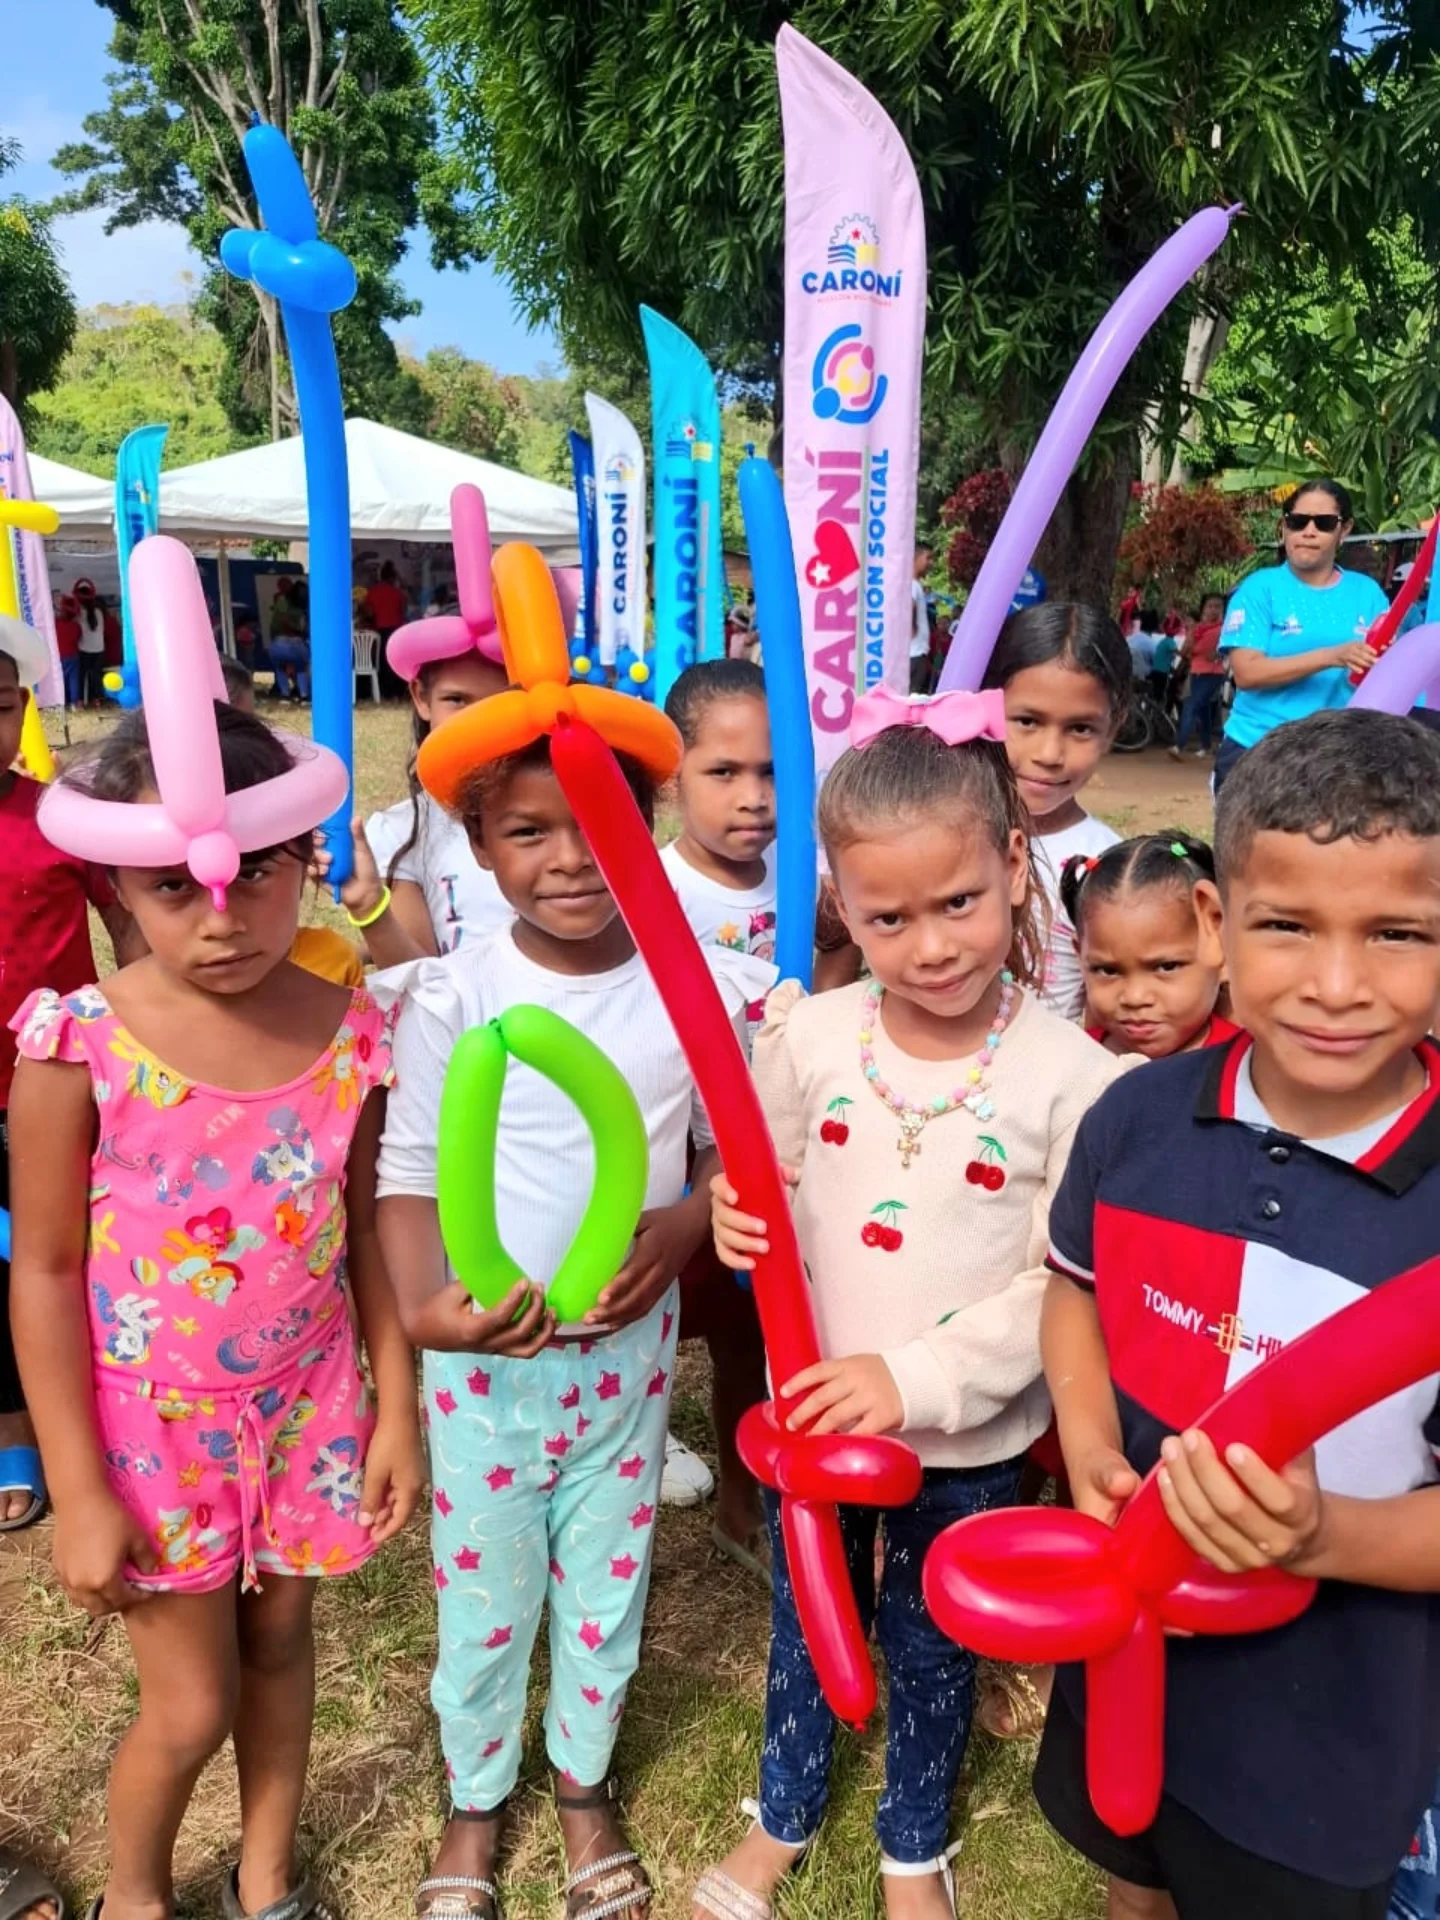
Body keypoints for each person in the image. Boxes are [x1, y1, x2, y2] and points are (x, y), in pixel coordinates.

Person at [694, 689, 1122, 1920]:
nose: (931, 945)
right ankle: (781, 1812)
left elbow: (1064, 1285)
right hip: (814, 1423)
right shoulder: (812, 1038)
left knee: (932, 1640)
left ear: (1012, 867)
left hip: (966, 1438)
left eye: (960, 904)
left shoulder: (1071, 1080)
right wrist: (733, 1211)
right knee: (804, 1619)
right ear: (840, 904)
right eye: (888, 917)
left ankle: (912, 1841)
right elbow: (761, 1181)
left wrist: (916, 1382)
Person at [8, 700, 423, 1920]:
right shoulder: (76, 1046)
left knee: (286, 1645)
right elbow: (39, 1272)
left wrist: (393, 1412)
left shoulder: (355, 1034)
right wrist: (77, 1491)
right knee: (189, 1703)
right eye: (173, 889)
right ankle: (134, 1895)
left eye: (258, 878)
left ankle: (265, 1881)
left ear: (302, 857)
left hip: (308, 1406)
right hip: (154, 1435)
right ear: (118, 886)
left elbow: (367, 1245)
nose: (222, 917)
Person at [1037, 705, 1440, 1920]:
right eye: (1287, 924)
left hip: (1327, 1736)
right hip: (1127, 1659)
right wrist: (1095, 1447)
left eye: (1396, 933)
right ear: (1219, 921)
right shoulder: (1135, 1121)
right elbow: (1074, 1293)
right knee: (1130, 1867)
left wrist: (1322, 1539)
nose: (1334, 984)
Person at [375, 732, 770, 1920]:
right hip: (486, 1375)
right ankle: (475, 1795)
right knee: (486, 1593)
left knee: (609, 1580)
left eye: (593, 824)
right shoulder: (457, 994)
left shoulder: (693, 986)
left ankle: (584, 1783)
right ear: (479, 849)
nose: (567, 859)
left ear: (643, 821)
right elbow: (404, 1176)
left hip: (626, 1364)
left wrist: (688, 1225)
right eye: (526, 833)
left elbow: (725, 1151)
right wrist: (422, 1306)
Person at [0, 616, 136, 1533]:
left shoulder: (55, 819)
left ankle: (79, 1425)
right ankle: (16, 1430)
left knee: (60, 1257)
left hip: (49, 1092)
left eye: (1, 706)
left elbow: (130, 928)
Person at [660, 658, 776, 1556]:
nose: (753, 797)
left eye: (773, 772)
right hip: (674, 1160)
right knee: (656, 1326)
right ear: (675, 773)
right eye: (725, 772)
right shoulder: (649, 890)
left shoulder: (814, 878)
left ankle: (745, 1499)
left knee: (751, 1342)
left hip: (777, 1161)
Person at [982, 602, 1132, 1022]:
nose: (1050, 755)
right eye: (1027, 721)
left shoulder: (1108, 865)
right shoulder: (944, 830)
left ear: (1113, 726)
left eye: (1080, 728)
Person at [1214, 480, 1388, 793]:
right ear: (1284, 528)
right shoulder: (1258, 589)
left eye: (1323, 523)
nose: (1308, 532)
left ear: (1344, 530)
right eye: (1297, 522)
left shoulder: (1368, 594)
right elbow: (1247, 673)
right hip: (1259, 750)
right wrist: (1332, 656)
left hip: (1337, 760)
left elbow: (1387, 670)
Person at [347, 645, 515, 965]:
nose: (475, 722)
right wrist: (370, 914)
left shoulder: (567, 815)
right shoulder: (401, 830)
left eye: (500, 702)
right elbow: (416, 975)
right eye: (457, 700)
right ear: (421, 698)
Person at [1062, 832, 1236, 1058]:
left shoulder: (1250, 1066)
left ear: (1223, 951)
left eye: (1166, 967)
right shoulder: (1073, 1061)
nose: (1135, 998)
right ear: (1081, 958)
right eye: (1107, 970)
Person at [1170, 592, 1228, 758]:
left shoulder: (1224, 629)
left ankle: (1179, 746)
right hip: (1196, 671)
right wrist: (1190, 635)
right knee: (1203, 710)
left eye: (1218, 606)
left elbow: (1231, 647)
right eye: (1210, 606)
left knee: (1191, 705)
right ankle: (1206, 746)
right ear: (1204, 608)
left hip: (1213, 673)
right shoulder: (1197, 629)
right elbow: (1187, 652)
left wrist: (1219, 654)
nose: (1213, 610)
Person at [367, 561, 410, 700]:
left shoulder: (373, 592)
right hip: (396, 631)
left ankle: (385, 692)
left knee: (382, 663)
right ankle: (398, 692)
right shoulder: (397, 593)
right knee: (396, 662)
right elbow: (403, 610)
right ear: (393, 578)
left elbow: (369, 613)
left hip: (379, 631)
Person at [268, 578, 311, 704]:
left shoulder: (282, 600)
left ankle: (285, 695)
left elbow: (281, 620)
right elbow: (287, 622)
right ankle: (304, 695)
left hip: (278, 643)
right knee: (301, 667)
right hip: (296, 642)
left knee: (280, 667)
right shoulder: (305, 603)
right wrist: (300, 632)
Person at [72, 578, 108, 710]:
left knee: (82, 676)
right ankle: (96, 700)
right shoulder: (99, 612)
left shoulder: (79, 614)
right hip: (99, 648)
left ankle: (80, 701)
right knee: (95, 676)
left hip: (85, 649)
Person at [910, 545, 934, 695]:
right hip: (915, 653)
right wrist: (912, 627)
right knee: (914, 696)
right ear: (915, 559)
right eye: (928, 558)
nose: (930, 563)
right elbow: (908, 606)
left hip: (918, 653)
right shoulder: (912, 585)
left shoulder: (915, 584)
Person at [55, 592, 82, 709]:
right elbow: (78, 638)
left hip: (59, 656)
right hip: (73, 655)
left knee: (60, 680)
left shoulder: (55, 624)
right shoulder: (76, 626)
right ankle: (74, 703)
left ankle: (62, 701)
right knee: (73, 679)